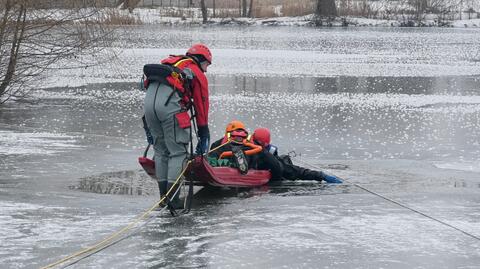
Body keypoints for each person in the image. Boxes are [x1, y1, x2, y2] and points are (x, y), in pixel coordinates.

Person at [143, 43, 212, 208]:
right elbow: (202, 104)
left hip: (149, 108)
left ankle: (163, 197)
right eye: (207, 65)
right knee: (178, 152)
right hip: (170, 108)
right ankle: (173, 200)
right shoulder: (195, 71)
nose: (206, 70)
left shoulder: (169, 65)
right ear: (201, 59)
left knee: (161, 151)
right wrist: (203, 131)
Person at [251, 128, 342, 183]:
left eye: (264, 144)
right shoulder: (244, 145)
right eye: (260, 143)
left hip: (276, 170)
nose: (261, 145)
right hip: (247, 167)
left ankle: (320, 175)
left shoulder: (270, 155)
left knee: (287, 165)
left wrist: (321, 176)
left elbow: (295, 171)